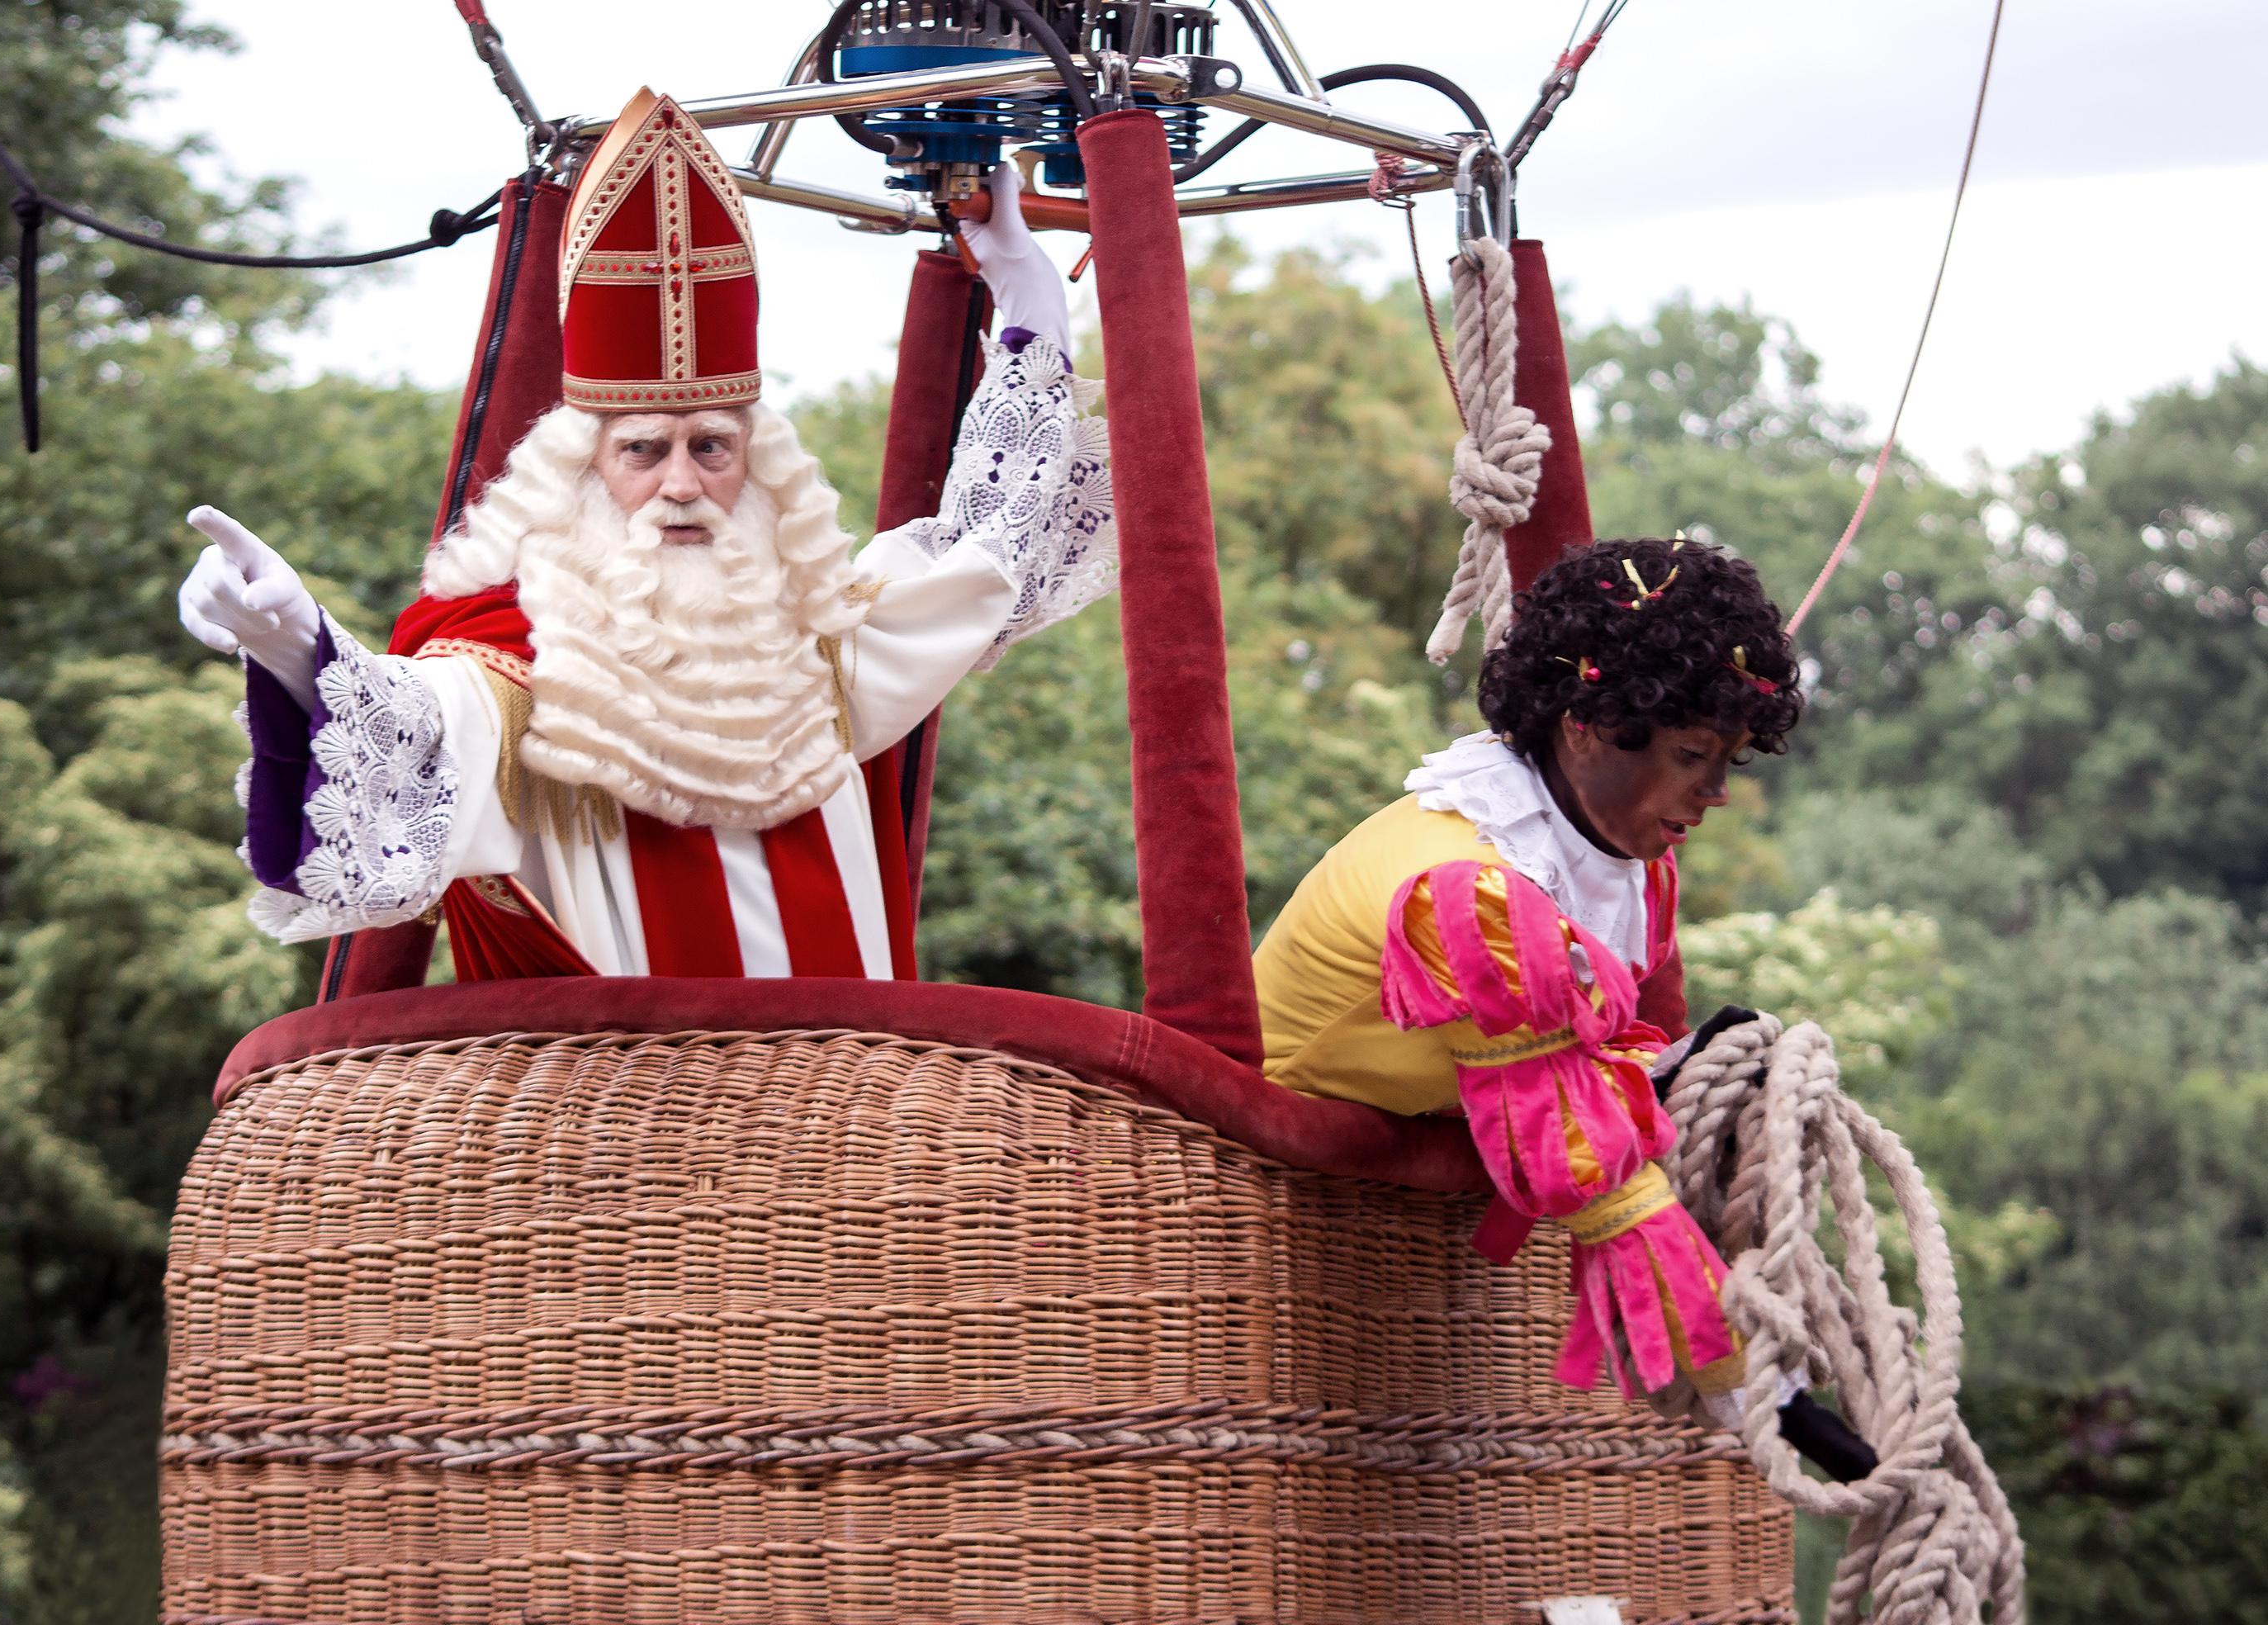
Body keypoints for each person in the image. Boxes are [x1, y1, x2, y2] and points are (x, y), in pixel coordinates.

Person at [176, 91, 1113, 982]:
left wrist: (1030, 301)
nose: (680, 484)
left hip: (846, 1121)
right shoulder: (507, 671)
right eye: (642, 449)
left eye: (712, 446)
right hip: (623, 1133)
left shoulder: (823, 640)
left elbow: (988, 551)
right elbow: (401, 728)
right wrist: (293, 639)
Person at [1251, 538, 1805, 1414]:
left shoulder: (1634, 868)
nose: (1718, 793)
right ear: (1582, 729)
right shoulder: (1471, 894)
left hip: (1399, 1210)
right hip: (1269, 1205)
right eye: (1695, 755)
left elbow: (1603, 1051)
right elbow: (1587, 1168)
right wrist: (1758, 1382)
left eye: (1727, 761)